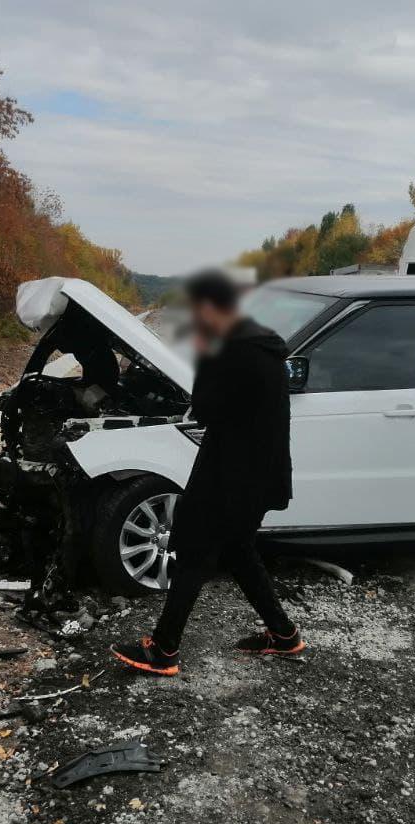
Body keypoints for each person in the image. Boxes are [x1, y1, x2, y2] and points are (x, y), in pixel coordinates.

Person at [111, 269, 302, 677]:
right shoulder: (263, 344)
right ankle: (285, 636)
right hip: (260, 472)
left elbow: (206, 408)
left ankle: (163, 651)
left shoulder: (232, 350)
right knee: (239, 552)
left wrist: (203, 354)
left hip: (231, 474)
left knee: (195, 553)